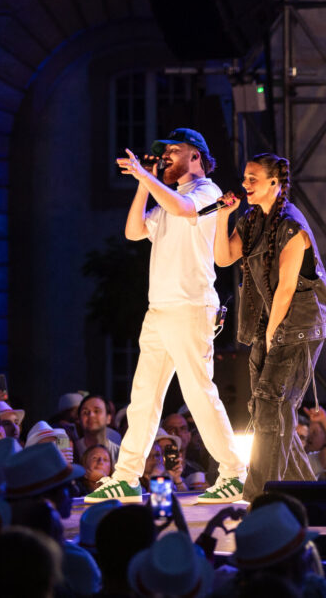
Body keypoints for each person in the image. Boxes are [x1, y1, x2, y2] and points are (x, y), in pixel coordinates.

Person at [85, 128, 246, 505]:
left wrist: (145, 176)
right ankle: (126, 476)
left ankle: (234, 472)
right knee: (143, 397)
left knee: (199, 393)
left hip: (189, 308)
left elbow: (183, 210)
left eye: (175, 150)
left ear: (196, 155)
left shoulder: (206, 192)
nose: (168, 156)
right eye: (165, 152)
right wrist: (147, 182)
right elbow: (133, 230)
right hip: (159, 310)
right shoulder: (167, 197)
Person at [213, 152, 326, 502]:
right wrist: (223, 217)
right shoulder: (251, 220)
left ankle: (258, 497)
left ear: (273, 183)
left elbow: (285, 288)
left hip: (298, 326)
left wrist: (270, 336)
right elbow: (223, 258)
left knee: (271, 405)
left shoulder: (292, 226)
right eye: (245, 177)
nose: (246, 184)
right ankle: (308, 495)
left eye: (253, 178)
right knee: (271, 409)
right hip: (272, 324)